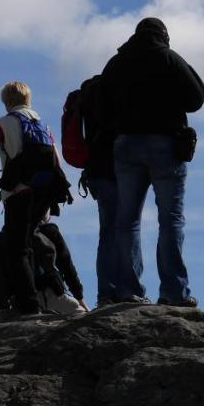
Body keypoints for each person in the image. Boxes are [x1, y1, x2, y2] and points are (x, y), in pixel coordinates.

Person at [101, 18, 204, 307]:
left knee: (127, 222)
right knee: (170, 219)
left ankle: (129, 291)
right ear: (164, 36)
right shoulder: (169, 58)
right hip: (165, 144)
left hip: (126, 145)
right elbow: (197, 97)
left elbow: (102, 100)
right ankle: (173, 292)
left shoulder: (117, 63)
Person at [0, 81, 71, 314]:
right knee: (28, 244)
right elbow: (56, 163)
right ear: (29, 99)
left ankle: (29, 305)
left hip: (18, 193)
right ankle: (48, 297)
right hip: (43, 193)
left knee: (17, 249)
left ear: (6, 101)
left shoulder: (2, 124)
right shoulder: (43, 125)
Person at [0, 211, 90, 315]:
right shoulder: (48, 231)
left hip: (17, 301)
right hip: (48, 296)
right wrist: (80, 298)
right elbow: (67, 266)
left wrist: (3, 307)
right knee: (83, 318)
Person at [78, 74, 123, 306]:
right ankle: (123, 289)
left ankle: (106, 292)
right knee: (123, 230)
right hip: (117, 170)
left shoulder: (88, 93)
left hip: (95, 171)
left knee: (108, 232)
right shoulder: (116, 92)